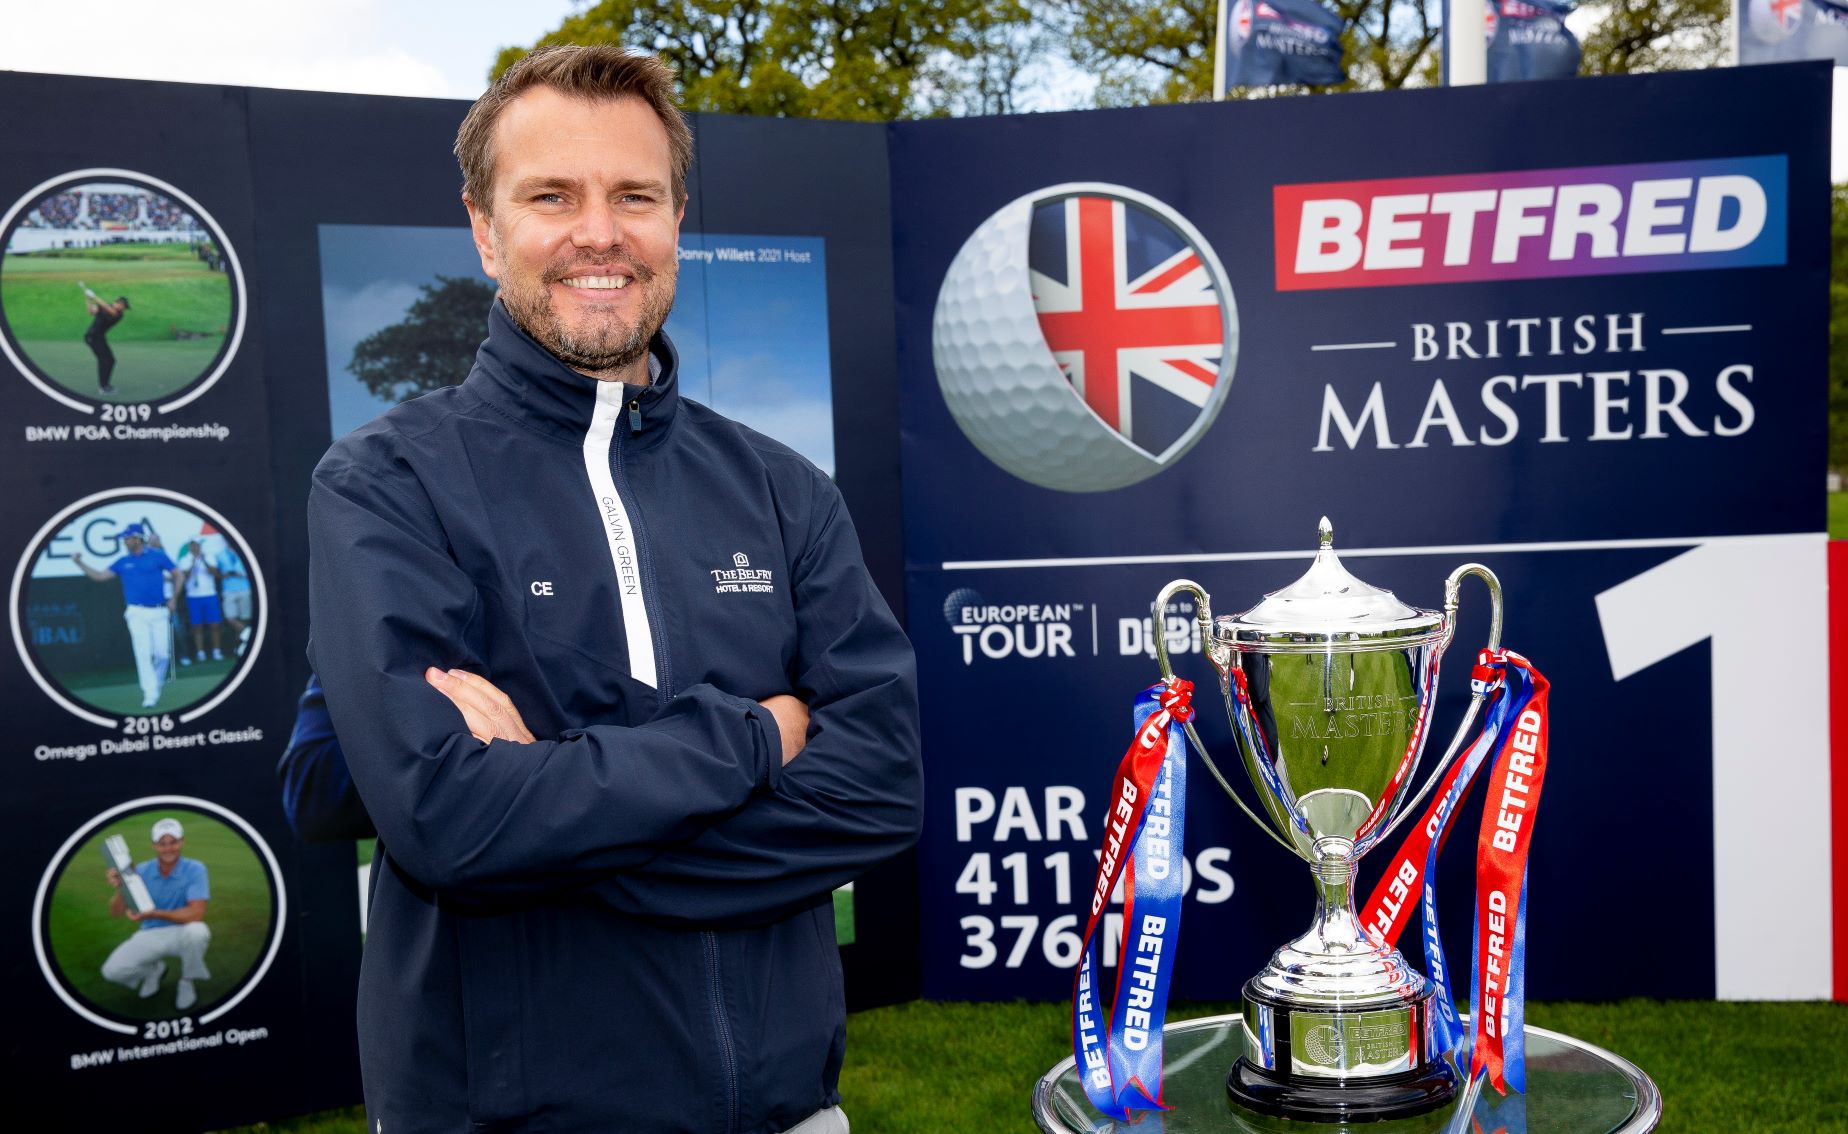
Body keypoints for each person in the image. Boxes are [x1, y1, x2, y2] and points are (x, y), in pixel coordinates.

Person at [305, 46, 921, 1134]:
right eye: (552, 196)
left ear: (679, 217)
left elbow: (879, 790)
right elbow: (448, 819)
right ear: (486, 230)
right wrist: (755, 739)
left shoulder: (785, 492)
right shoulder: (388, 482)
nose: (599, 232)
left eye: (634, 195)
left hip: (788, 1111)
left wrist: (559, 825)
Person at [100, 817, 212, 1012]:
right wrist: (121, 888)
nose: (168, 848)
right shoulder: (140, 870)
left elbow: (196, 913)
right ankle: (154, 971)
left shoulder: (196, 868)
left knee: (198, 931)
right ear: (154, 845)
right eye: (162, 843)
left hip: (182, 933)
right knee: (111, 971)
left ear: (182, 842)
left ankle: (187, 981)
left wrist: (154, 913)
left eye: (173, 842)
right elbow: (116, 912)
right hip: (150, 934)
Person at [71, 521, 176, 709]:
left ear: (138, 538)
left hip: (160, 611)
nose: (124, 541)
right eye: (125, 539)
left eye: (127, 538)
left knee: (162, 654)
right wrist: (79, 563)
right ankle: (150, 694)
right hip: (136, 612)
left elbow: (178, 574)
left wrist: (174, 598)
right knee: (143, 653)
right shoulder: (122, 561)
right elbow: (100, 576)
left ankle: (156, 685)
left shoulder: (157, 556)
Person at [173, 538, 225, 665]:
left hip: (210, 594)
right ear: (189, 547)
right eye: (193, 545)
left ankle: (216, 651)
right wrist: (193, 563)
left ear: (200, 546)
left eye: (197, 545)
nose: (195, 547)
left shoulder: (209, 557)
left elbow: (214, 573)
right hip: (193, 596)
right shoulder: (184, 559)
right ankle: (200, 653)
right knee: (197, 626)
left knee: (215, 624)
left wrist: (203, 560)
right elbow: (185, 576)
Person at [80, 286, 129, 396]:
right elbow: (91, 311)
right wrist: (88, 298)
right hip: (92, 337)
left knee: (110, 360)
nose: (123, 308)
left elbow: (108, 309)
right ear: (118, 303)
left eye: (124, 307)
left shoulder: (118, 315)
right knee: (104, 360)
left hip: (99, 337)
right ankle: (104, 387)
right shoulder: (105, 307)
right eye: (123, 306)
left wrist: (94, 296)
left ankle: (105, 385)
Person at [213, 542, 254, 655]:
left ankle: (241, 646)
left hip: (245, 588)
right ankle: (249, 634)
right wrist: (223, 575)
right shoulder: (219, 554)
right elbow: (216, 573)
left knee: (244, 618)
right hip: (228, 590)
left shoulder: (246, 550)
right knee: (230, 618)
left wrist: (241, 574)